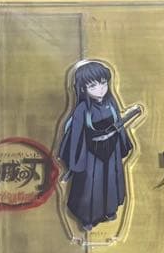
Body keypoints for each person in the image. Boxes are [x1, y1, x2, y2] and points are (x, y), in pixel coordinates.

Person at [57, 60, 141, 232]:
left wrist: (121, 141)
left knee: (111, 179)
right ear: (83, 88)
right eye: (93, 86)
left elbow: (118, 124)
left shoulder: (111, 102)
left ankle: (109, 210)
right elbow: (76, 135)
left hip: (111, 151)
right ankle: (87, 218)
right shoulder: (82, 109)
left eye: (103, 83)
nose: (100, 89)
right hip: (90, 154)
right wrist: (75, 161)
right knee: (90, 184)